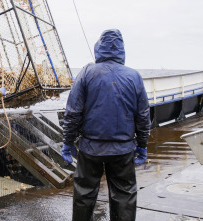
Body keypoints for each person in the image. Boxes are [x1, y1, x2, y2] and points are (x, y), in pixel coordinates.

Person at [61, 29, 150, 221]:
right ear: (122, 50)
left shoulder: (86, 72)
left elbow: (73, 113)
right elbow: (143, 116)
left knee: (84, 194)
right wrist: (142, 145)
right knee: (124, 195)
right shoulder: (134, 77)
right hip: (123, 149)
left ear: (98, 48)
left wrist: (68, 142)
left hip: (90, 149)